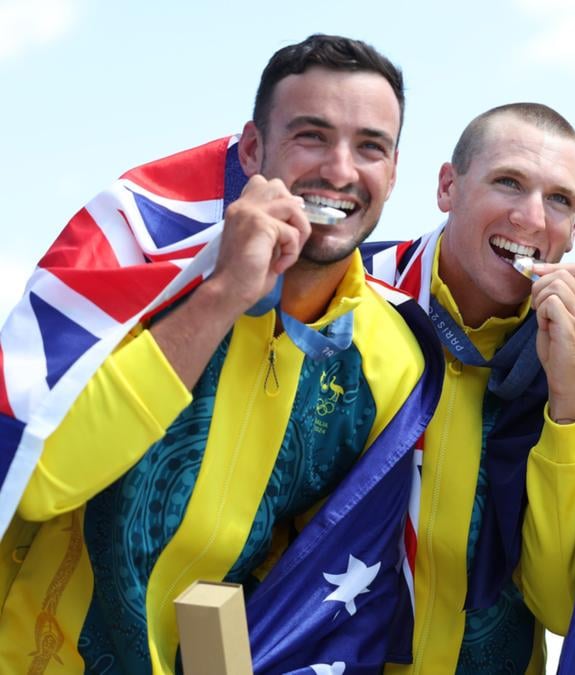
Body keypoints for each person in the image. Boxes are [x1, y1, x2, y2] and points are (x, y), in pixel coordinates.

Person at [0, 34, 437, 672]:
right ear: (253, 149)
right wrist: (225, 295)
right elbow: (36, 482)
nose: (341, 171)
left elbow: (321, 586)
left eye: (370, 146)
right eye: (311, 136)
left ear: (394, 173)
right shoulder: (145, 264)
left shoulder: (393, 357)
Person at [363, 102, 575, 673]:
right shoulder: (350, 303)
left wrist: (571, 400)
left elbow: (563, 604)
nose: (530, 217)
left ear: (574, 230)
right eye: (508, 182)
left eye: (559, 200)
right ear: (448, 186)